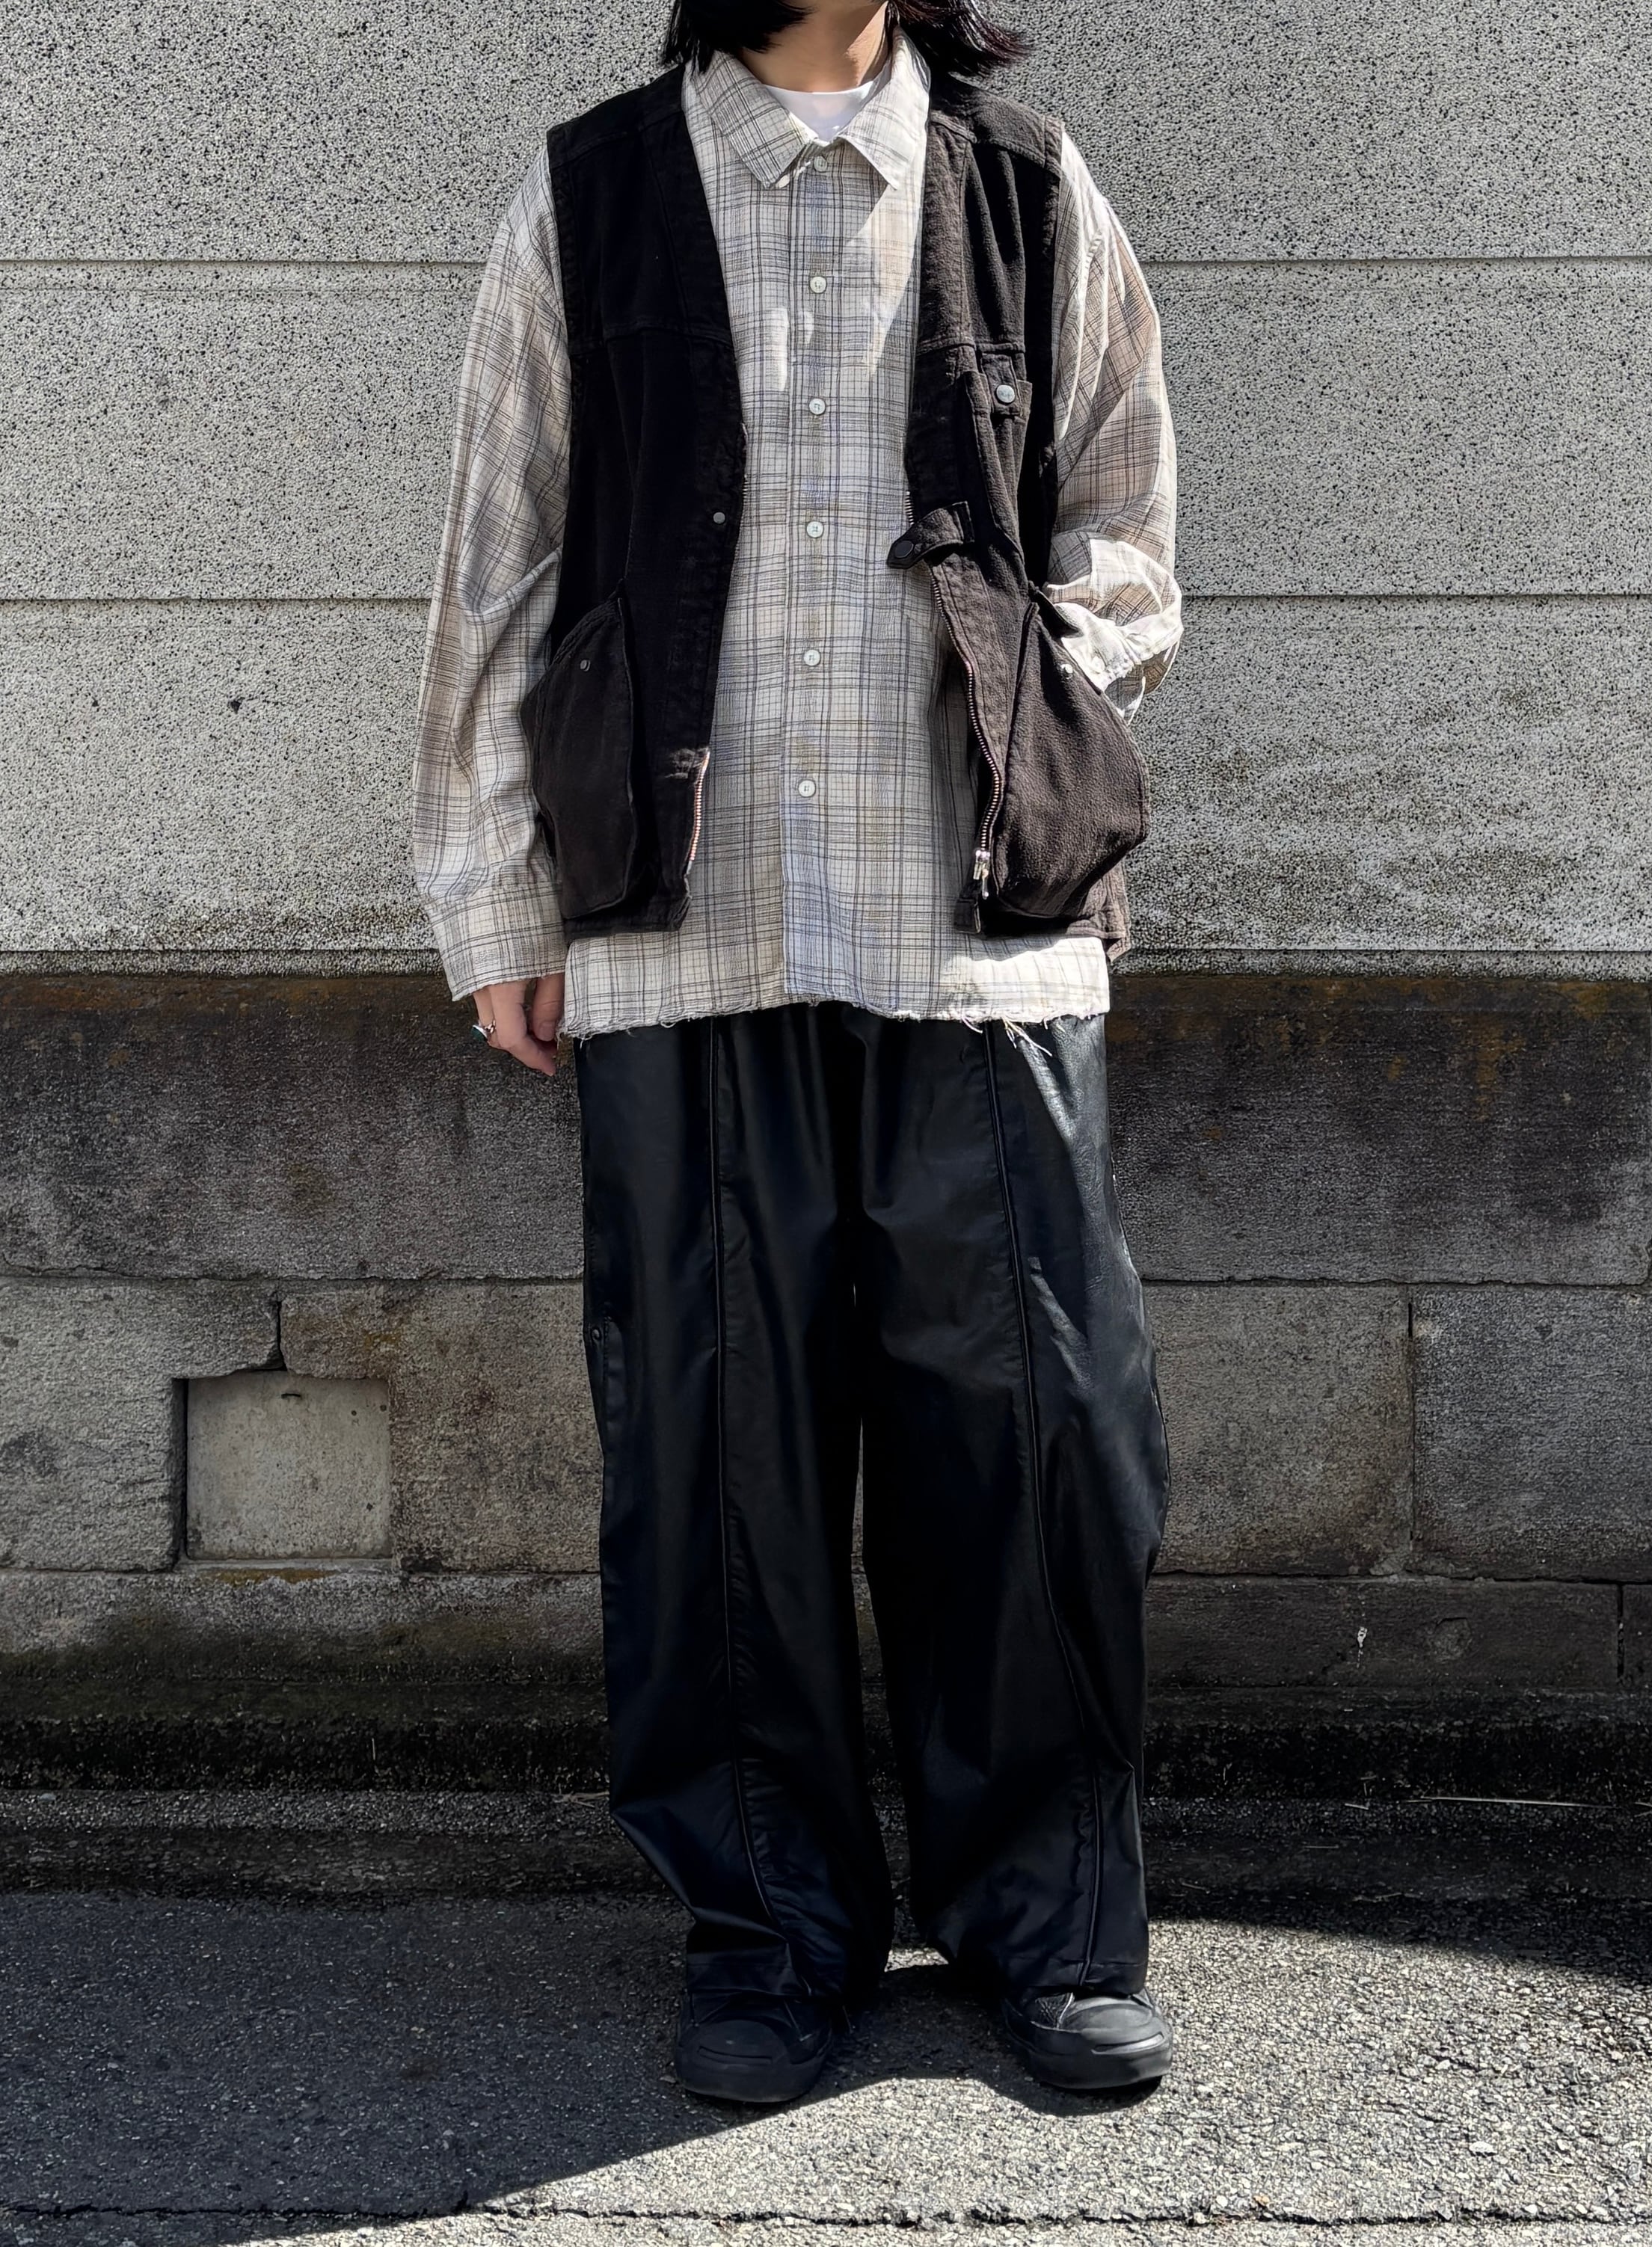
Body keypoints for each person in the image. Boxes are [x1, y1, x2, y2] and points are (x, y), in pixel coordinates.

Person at [413, 0, 1181, 2106]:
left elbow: (1127, 518)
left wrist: (1030, 671)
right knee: (714, 1450)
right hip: (688, 922)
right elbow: (499, 565)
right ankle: (767, 1927)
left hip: (980, 932)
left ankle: (1051, 1925)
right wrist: (497, 903)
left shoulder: (1026, 190)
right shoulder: (592, 195)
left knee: (1035, 1438)